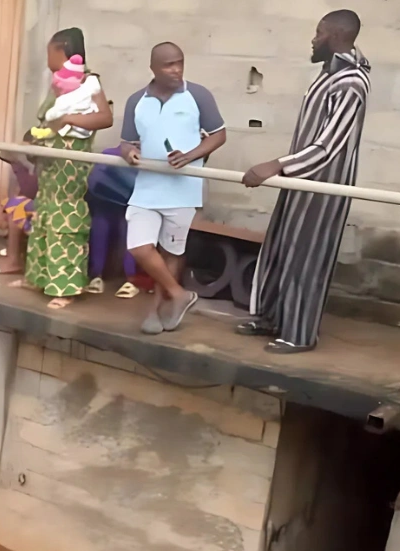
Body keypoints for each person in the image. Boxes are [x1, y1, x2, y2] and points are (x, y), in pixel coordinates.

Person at [239, 10, 370, 354]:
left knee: (307, 257)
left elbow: (329, 146)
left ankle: (298, 334)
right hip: (299, 180)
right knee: (282, 248)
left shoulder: (351, 82)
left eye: (319, 33)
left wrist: (276, 165)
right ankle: (271, 318)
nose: (313, 39)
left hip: (321, 188)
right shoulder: (327, 76)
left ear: (337, 36)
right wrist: (285, 169)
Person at [120, 42, 227, 335]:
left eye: (180, 62)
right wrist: (128, 153)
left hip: (183, 188)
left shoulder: (198, 95)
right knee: (140, 247)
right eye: (169, 65)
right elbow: (126, 141)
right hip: (147, 187)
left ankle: (158, 308)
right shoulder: (136, 101)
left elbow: (219, 135)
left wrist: (191, 155)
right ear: (153, 67)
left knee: (171, 251)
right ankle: (179, 294)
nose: (176, 69)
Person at [15, 28, 114, 310]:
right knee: (44, 213)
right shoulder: (58, 83)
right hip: (50, 159)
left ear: (63, 52)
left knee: (64, 219)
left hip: (71, 161)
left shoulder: (88, 82)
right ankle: (38, 276)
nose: (48, 58)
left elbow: (105, 117)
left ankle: (66, 287)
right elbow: (47, 119)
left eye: (50, 52)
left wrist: (68, 118)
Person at [86, 147, 143, 297]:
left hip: (120, 201)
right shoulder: (110, 153)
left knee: (117, 229)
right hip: (113, 201)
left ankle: (104, 277)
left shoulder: (109, 153)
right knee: (109, 227)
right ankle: (121, 279)